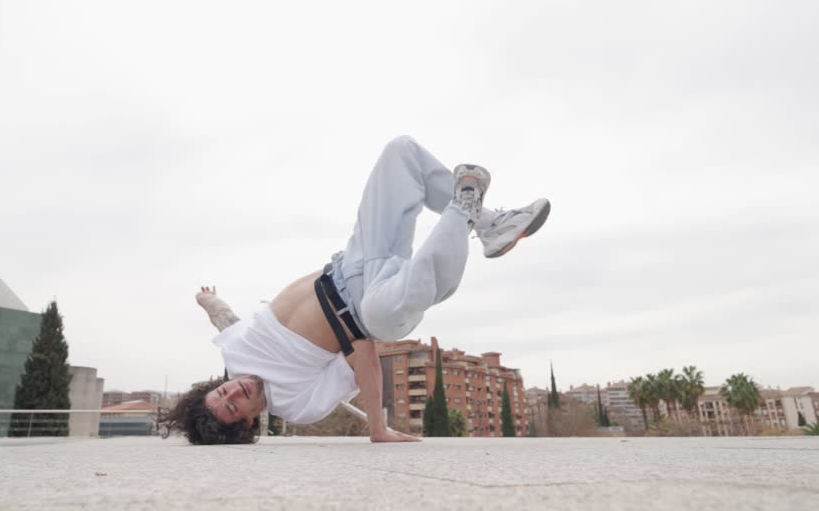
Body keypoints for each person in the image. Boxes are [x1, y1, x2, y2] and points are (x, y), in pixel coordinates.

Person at [158, 136, 550, 444]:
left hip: (352, 264)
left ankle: (491, 223)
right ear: (246, 422)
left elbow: (224, 319)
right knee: (395, 304)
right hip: (370, 311)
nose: (234, 392)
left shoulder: (237, 351)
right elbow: (361, 353)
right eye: (233, 405)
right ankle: (465, 203)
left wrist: (206, 299)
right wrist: (377, 427)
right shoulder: (298, 404)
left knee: (401, 154)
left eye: (222, 391)